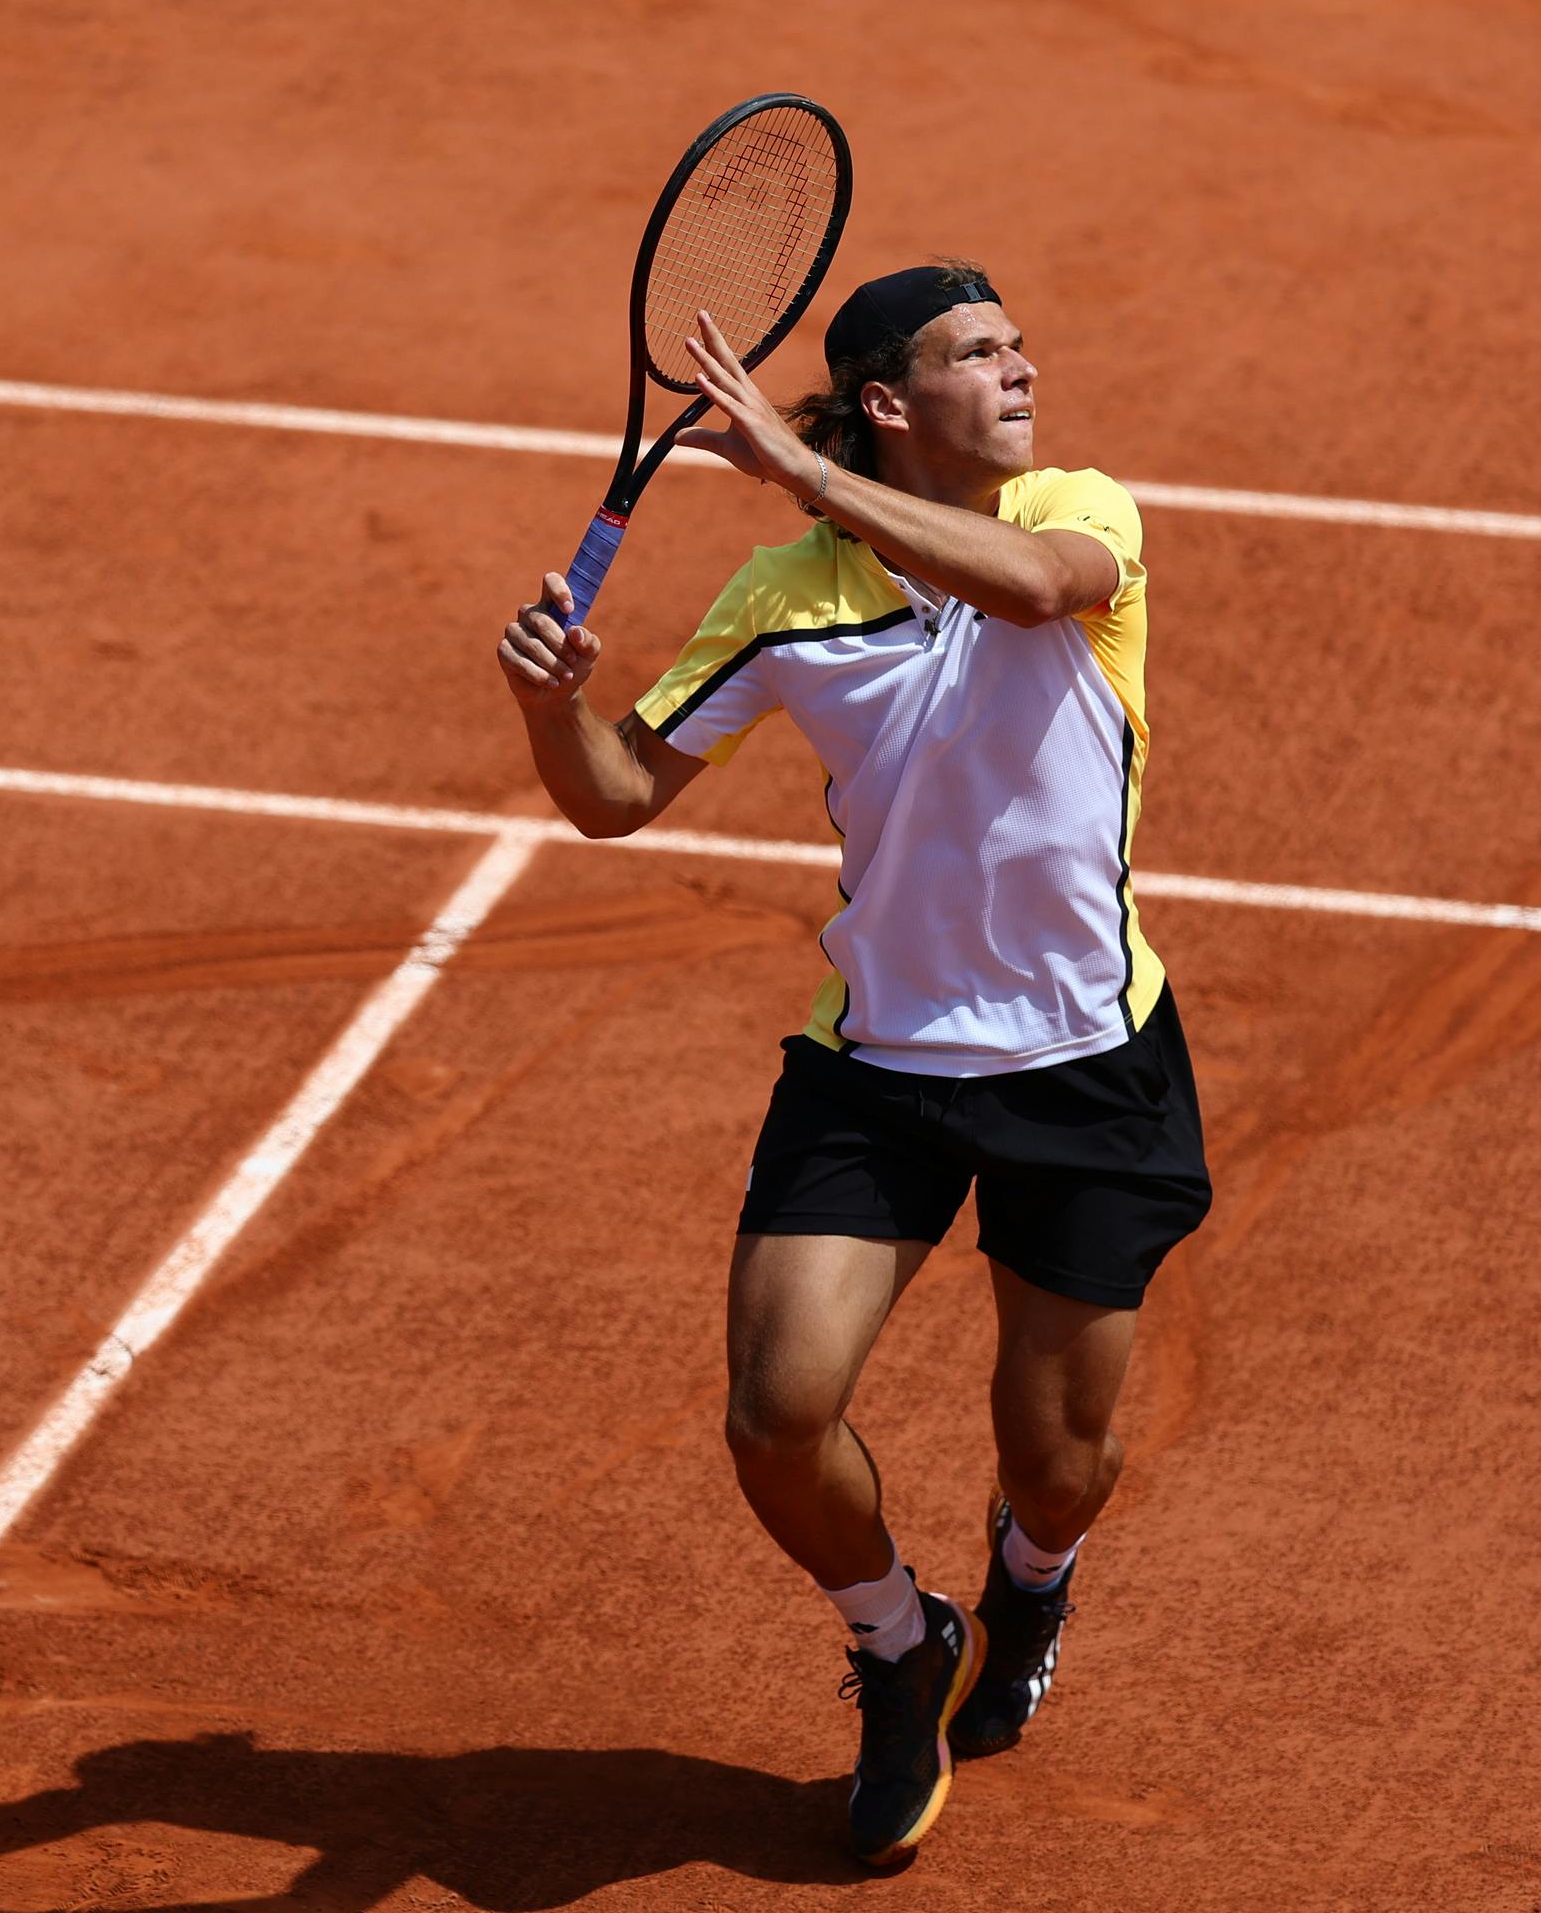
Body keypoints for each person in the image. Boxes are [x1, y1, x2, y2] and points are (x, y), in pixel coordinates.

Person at [492, 265, 1212, 1866]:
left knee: (1062, 1463)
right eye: (978, 351)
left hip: (1086, 1057)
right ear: (894, 403)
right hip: (878, 1061)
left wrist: (808, 472)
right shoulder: (783, 598)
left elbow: (1032, 589)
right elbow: (615, 795)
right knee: (775, 1413)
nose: (1023, 362)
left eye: (1021, 337)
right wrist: (556, 709)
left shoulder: (1080, 511)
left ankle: (1029, 1583)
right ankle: (902, 1644)